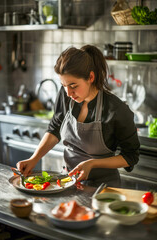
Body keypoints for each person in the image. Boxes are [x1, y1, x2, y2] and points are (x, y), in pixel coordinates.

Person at [16, 45, 140, 188]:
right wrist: (34, 158)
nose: (68, 92)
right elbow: (55, 128)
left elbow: (131, 156)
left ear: (91, 77)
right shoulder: (66, 96)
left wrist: (92, 163)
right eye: (63, 85)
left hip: (103, 189)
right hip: (69, 183)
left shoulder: (116, 109)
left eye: (73, 86)